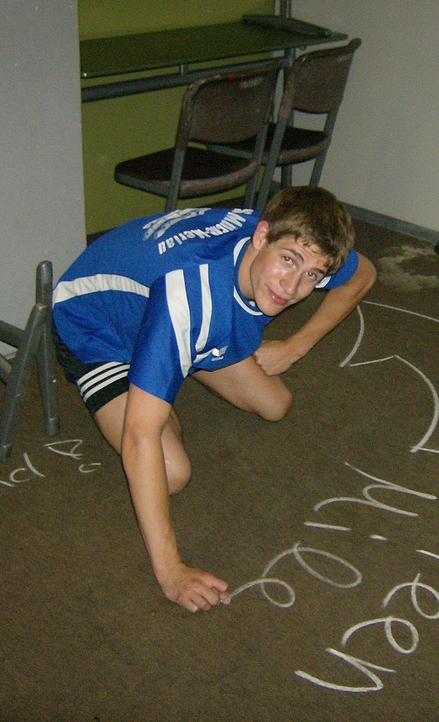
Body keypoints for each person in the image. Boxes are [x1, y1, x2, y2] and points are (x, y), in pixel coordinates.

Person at [51, 186, 376, 613]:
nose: (292, 287)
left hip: (172, 303)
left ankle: (174, 357)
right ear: (261, 235)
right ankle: (163, 364)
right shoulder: (188, 297)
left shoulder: (296, 238)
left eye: (312, 275)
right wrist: (171, 571)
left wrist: (295, 346)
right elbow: (139, 436)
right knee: (171, 472)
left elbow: (364, 273)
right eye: (288, 261)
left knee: (275, 405)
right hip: (97, 325)